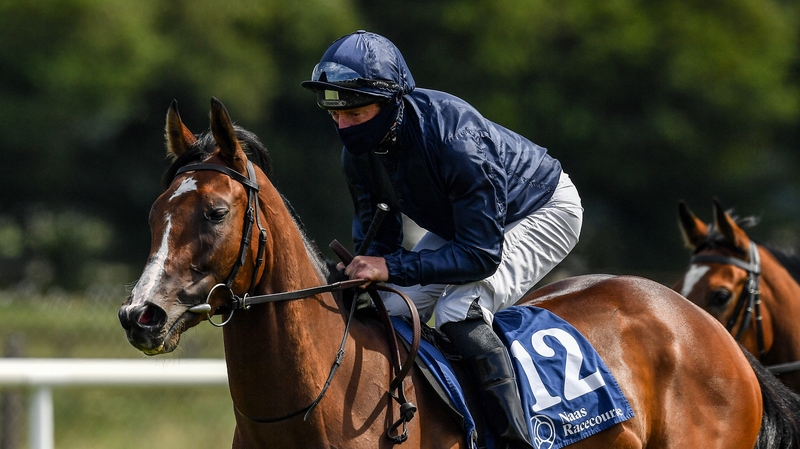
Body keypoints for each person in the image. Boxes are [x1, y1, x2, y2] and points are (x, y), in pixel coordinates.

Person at [302, 30, 582, 449]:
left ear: (391, 103)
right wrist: (361, 270)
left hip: (542, 207)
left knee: (458, 309)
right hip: (464, 226)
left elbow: (480, 256)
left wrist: (390, 267)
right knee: (390, 305)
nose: (343, 127)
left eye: (355, 114)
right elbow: (379, 243)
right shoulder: (358, 155)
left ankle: (513, 440)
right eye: (335, 115)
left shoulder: (457, 141)